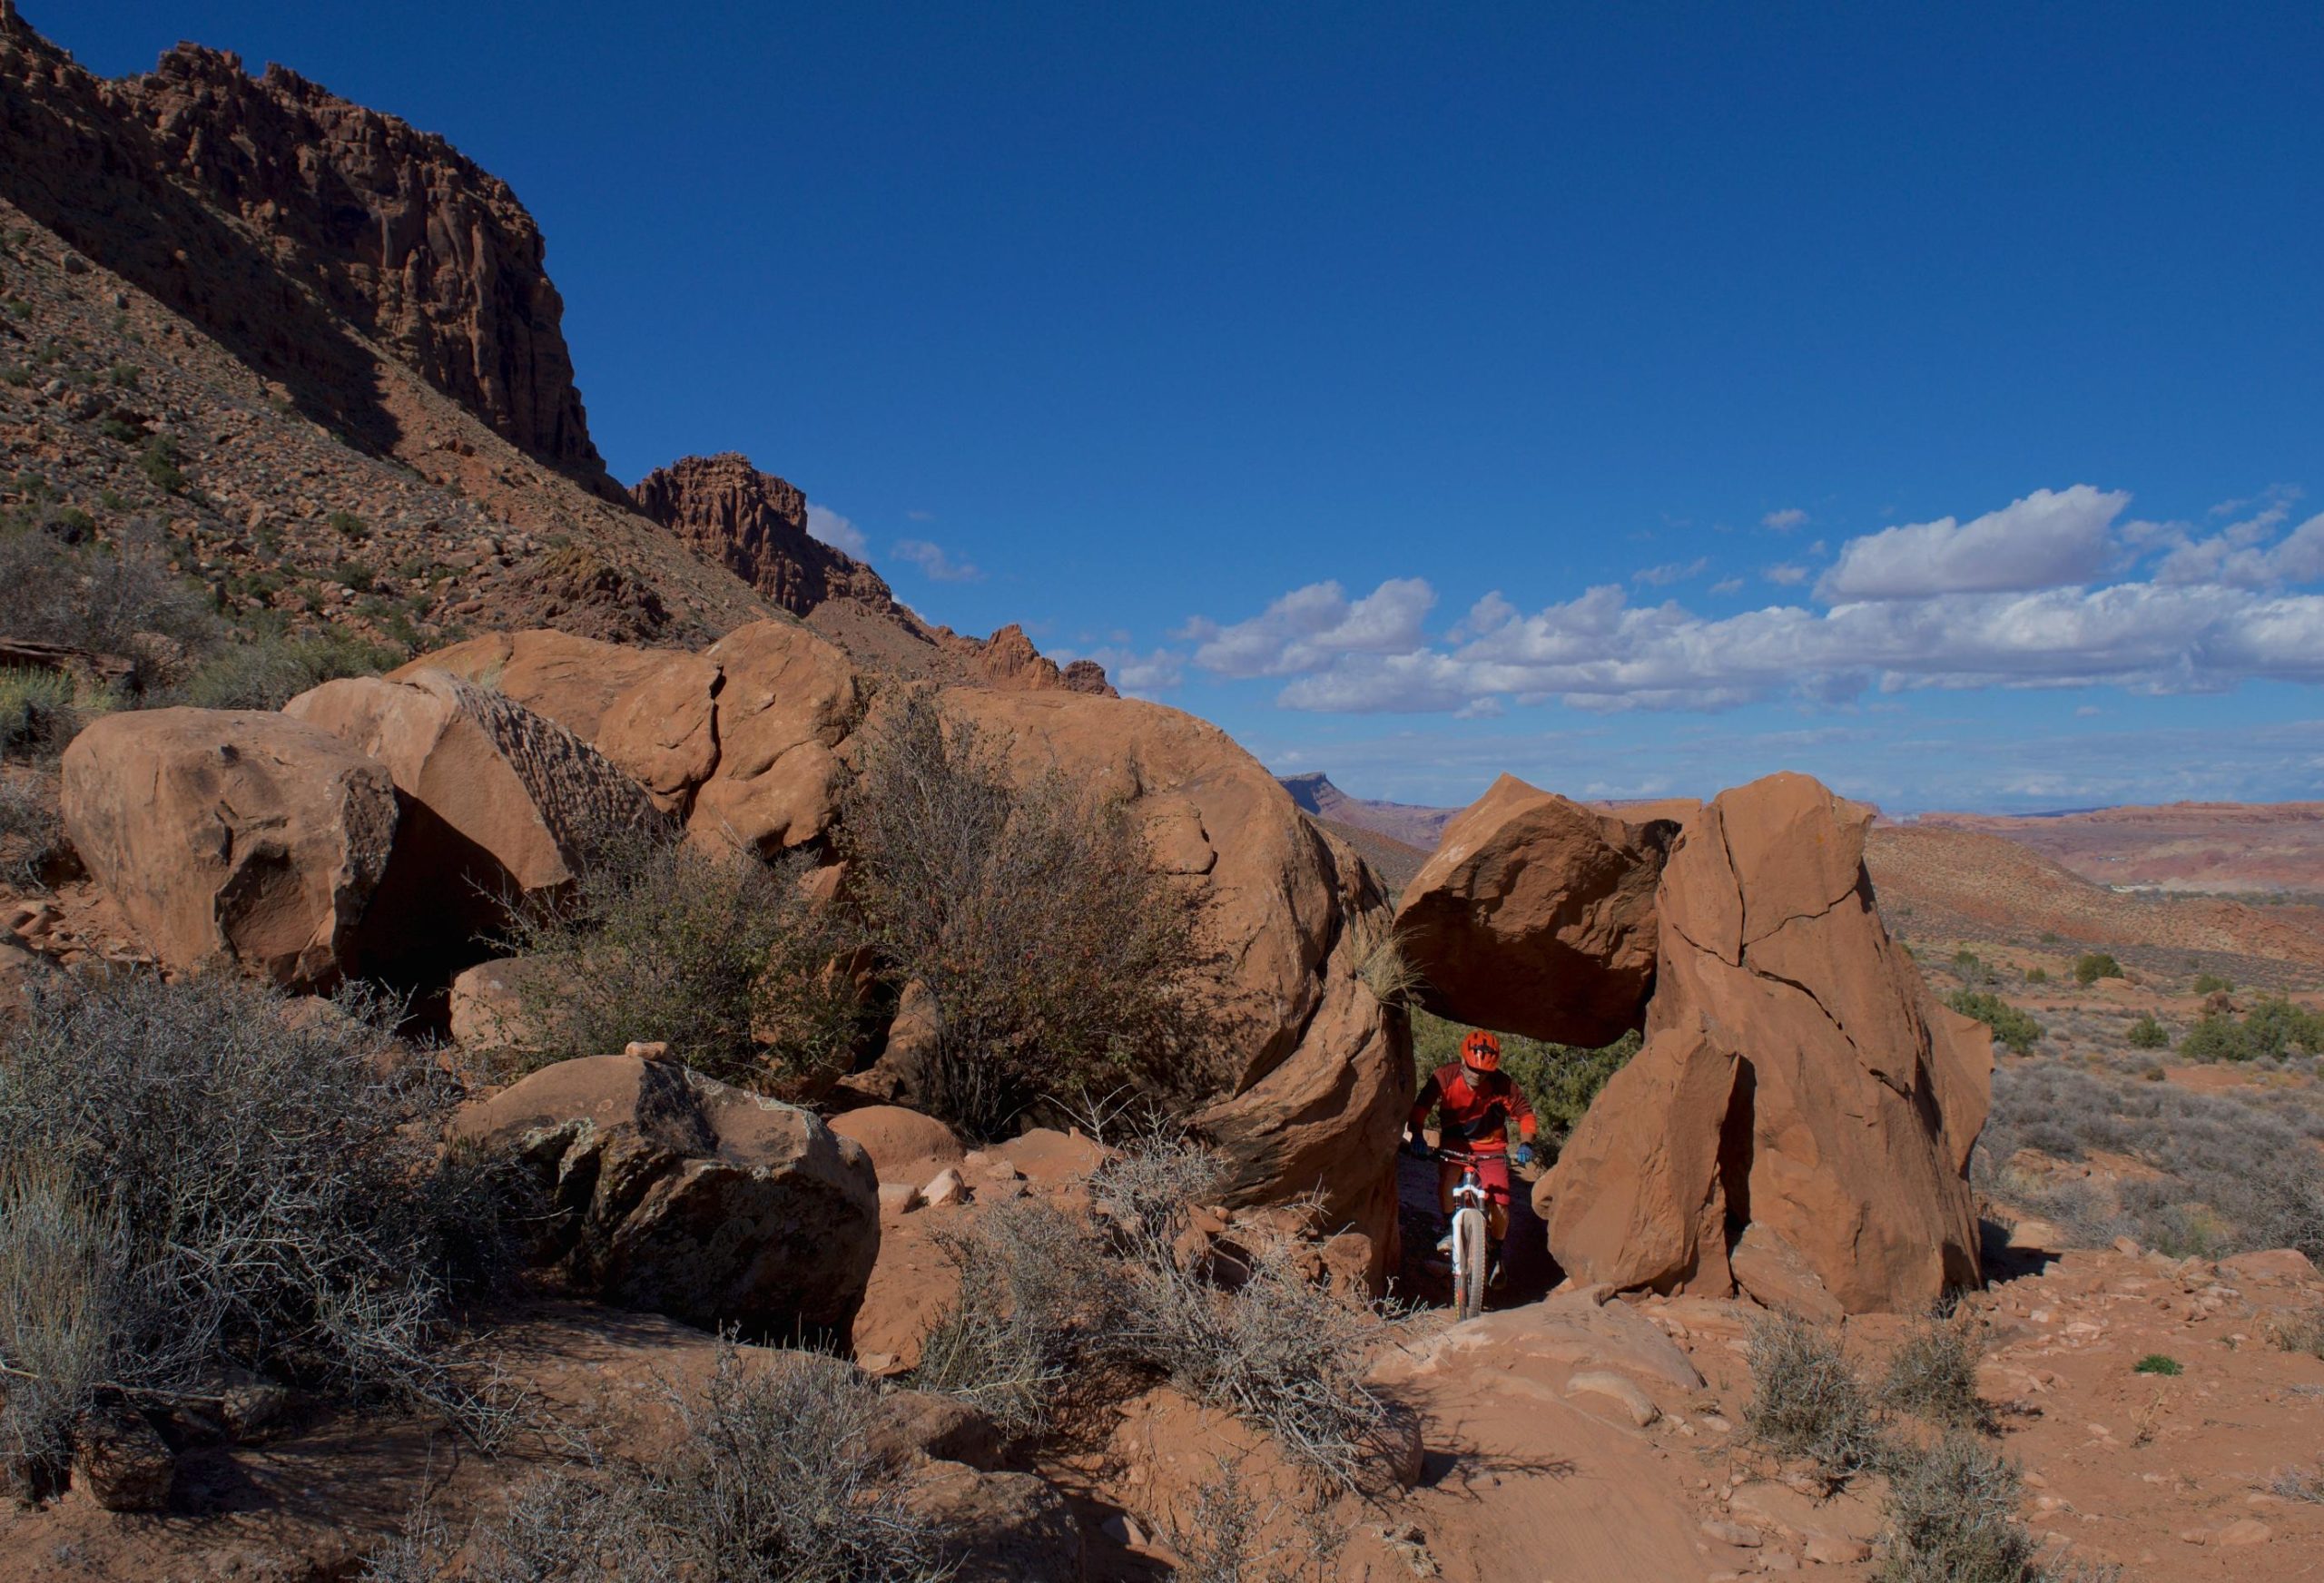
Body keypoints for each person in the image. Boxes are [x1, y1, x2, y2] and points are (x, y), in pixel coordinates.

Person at [1403, 1029, 1537, 1281]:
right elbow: (1422, 1106)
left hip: (1492, 1148)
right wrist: (1418, 1135)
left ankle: (1496, 1252)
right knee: (1449, 1177)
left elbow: (1525, 1114)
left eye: (1484, 1072)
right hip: (1456, 1144)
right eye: (1473, 1069)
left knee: (1499, 1202)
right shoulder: (1445, 1076)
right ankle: (1447, 1228)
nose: (1478, 1075)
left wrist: (1526, 1144)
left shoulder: (1502, 1084)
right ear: (1463, 1060)